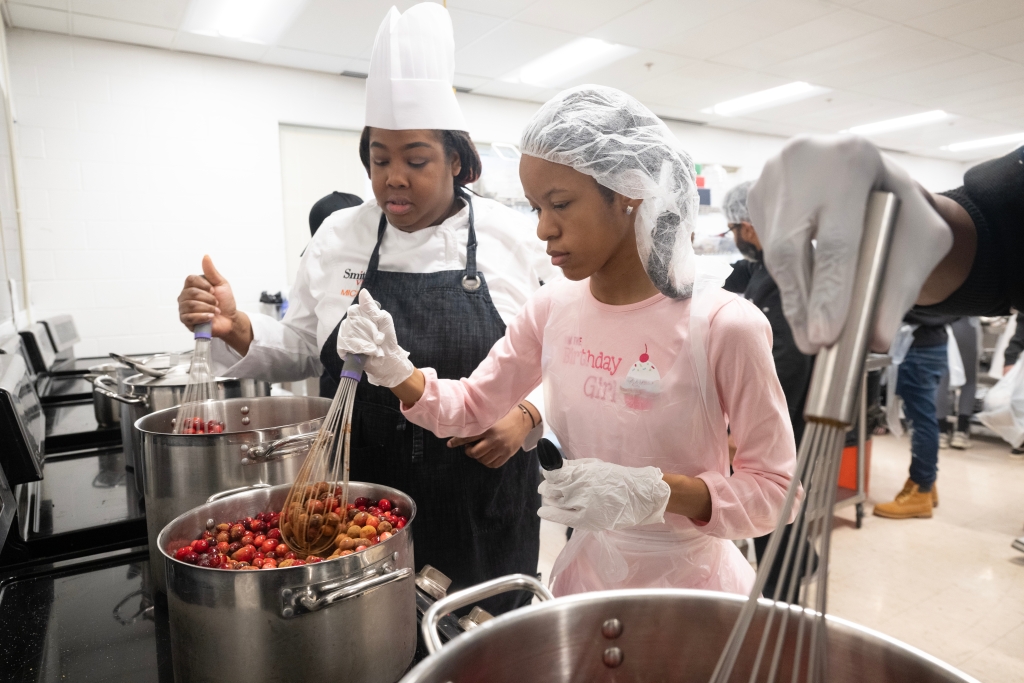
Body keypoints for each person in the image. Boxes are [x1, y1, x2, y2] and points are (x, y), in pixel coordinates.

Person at [336, 85, 797, 597]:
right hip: (587, 580)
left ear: (628, 193)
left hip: (692, 590)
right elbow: (473, 405)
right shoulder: (555, 306)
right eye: (536, 207)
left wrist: (658, 492)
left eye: (560, 204)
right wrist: (398, 372)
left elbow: (776, 493)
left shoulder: (723, 325)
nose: (542, 230)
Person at [175, 3, 553, 614]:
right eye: (380, 160)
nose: (393, 179)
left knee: (482, 645)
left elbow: (564, 353)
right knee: (366, 642)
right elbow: (303, 344)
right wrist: (239, 329)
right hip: (357, 495)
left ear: (456, 160)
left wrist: (530, 416)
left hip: (481, 492)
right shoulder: (338, 239)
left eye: (416, 160)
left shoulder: (515, 239)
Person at [746, 137, 1023, 549]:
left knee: (923, 414)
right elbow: (999, 243)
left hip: (923, 347)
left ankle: (924, 483)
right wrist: (940, 219)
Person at [722, 180, 814, 598]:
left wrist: (746, 426)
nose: (737, 239)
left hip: (788, 410)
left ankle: (783, 595)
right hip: (782, 409)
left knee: (773, 500)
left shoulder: (786, 267)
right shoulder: (767, 264)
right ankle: (802, 561)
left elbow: (785, 356)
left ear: (749, 225)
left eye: (734, 229)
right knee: (776, 498)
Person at [874, 311, 956, 519]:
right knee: (924, 418)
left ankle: (921, 490)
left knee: (921, 421)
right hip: (932, 341)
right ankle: (925, 482)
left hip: (917, 346)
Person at [936, 317, 979, 450]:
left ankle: (941, 431)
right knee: (969, 380)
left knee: (942, 380)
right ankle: (961, 431)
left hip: (940, 323)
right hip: (965, 323)